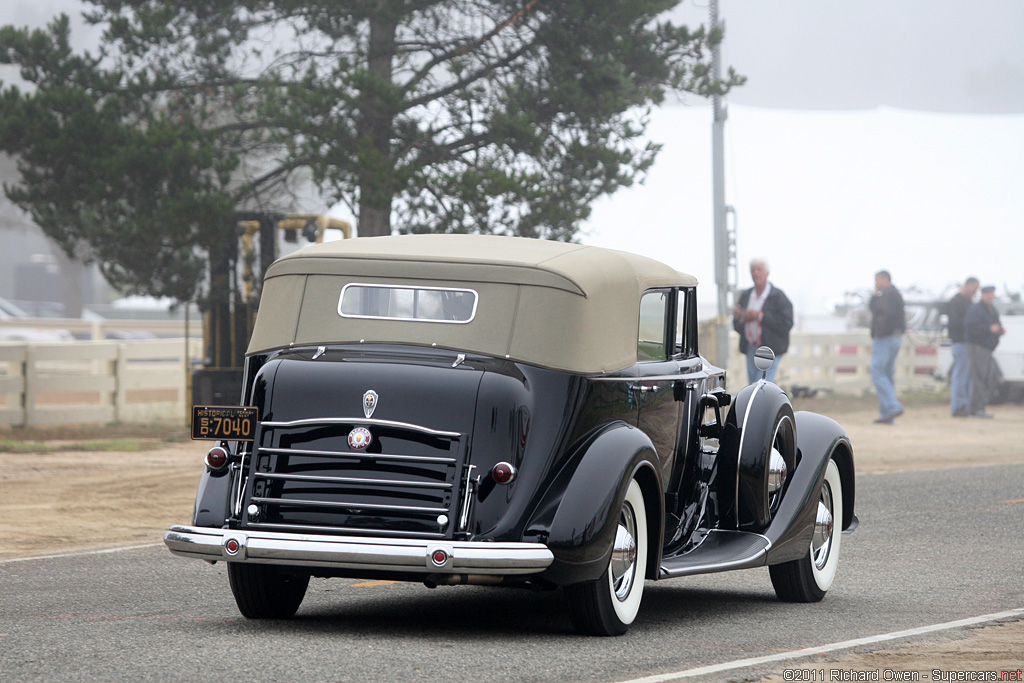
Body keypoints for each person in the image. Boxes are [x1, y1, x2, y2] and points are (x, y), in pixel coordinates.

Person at [732, 259, 794, 384]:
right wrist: (740, 317)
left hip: (771, 348)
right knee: (753, 382)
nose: (756, 273)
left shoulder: (778, 296)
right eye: (753, 270)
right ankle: (759, 404)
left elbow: (786, 323)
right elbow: (737, 325)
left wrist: (760, 316)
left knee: (762, 383)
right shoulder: (746, 295)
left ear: (767, 273)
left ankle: (761, 403)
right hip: (751, 346)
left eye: (759, 269)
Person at [869, 270, 906, 424]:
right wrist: (874, 295)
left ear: (883, 280)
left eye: (877, 280)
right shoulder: (895, 294)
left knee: (877, 371)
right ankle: (887, 415)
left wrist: (879, 332)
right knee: (887, 373)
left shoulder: (887, 295)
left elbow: (882, 313)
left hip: (885, 337)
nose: (875, 283)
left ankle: (892, 406)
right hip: (895, 337)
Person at [964, 285, 1006, 418]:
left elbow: (996, 325)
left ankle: (980, 408)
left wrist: (999, 330)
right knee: (978, 378)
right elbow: (971, 328)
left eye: (992, 294)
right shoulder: (976, 310)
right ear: (982, 295)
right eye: (987, 294)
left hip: (988, 349)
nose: (990, 296)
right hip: (978, 347)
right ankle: (975, 409)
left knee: (987, 378)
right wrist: (989, 329)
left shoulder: (992, 310)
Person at [944, 277, 980, 417]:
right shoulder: (956, 302)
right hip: (960, 342)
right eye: (975, 288)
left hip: (967, 342)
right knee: (960, 376)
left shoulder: (968, 302)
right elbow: (954, 323)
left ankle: (964, 405)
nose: (975, 292)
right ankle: (958, 406)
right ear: (968, 285)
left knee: (965, 376)